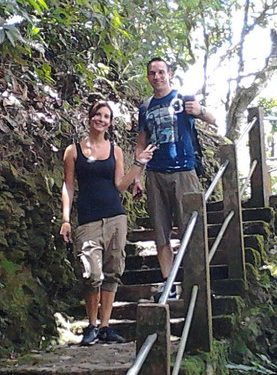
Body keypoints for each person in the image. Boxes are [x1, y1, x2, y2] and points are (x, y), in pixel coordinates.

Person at [61, 100, 156, 345]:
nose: (101, 119)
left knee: (113, 272)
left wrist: (139, 164)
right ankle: (91, 325)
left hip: (115, 217)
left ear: (110, 123)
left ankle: (105, 326)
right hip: (88, 219)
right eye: (98, 115)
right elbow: (69, 186)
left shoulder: (115, 150)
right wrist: (65, 219)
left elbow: (120, 186)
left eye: (106, 116)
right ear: (90, 117)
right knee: (91, 273)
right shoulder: (73, 151)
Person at [135, 57, 216, 282]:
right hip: (155, 173)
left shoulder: (183, 99)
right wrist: (138, 175)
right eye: (153, 73)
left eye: (161, 72)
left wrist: (200, 110)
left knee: (190, 229)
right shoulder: (146, 107)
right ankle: (168, 282)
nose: (157, 77)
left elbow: (213, 119)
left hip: (184, 171)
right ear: (147, 77)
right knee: (161, 233)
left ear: (169, 73)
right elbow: (141, 143)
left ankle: (196, 282)